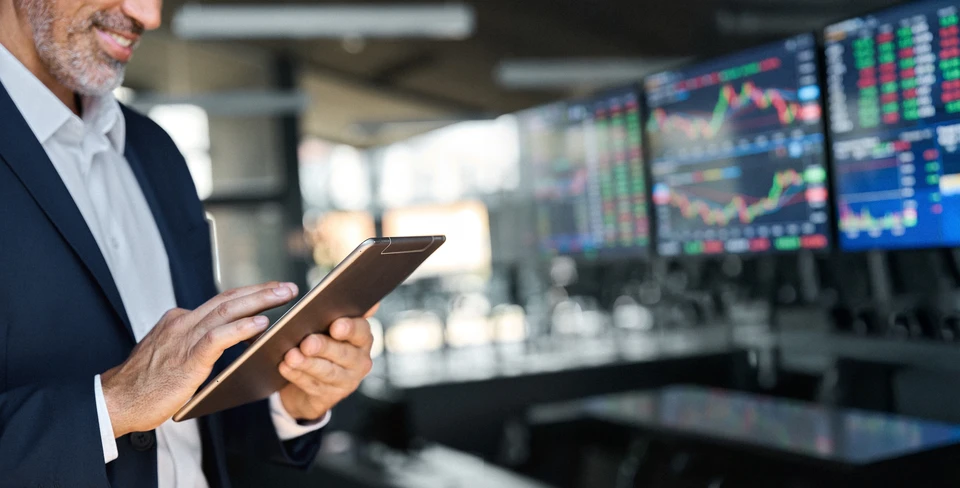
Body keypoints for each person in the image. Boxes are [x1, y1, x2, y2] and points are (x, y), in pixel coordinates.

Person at [0, 0, 375, 486]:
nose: (149, 16)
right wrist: (112, 404)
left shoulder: (155, 151)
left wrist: (292, 400)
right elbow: (139, 397)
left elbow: (196, 406)